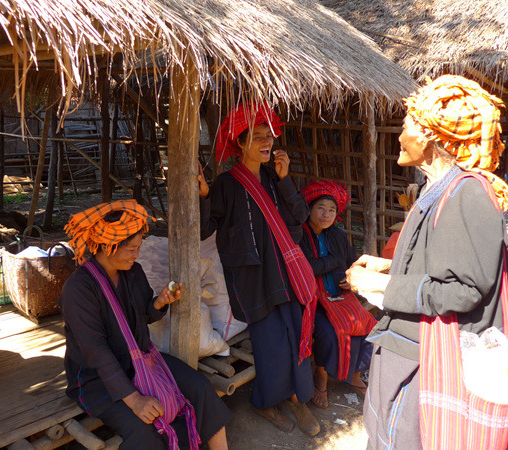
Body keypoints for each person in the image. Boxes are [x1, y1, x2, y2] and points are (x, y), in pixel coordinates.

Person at [345, 75, 508, 449]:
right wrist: (390, 266)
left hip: (424, 361)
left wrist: (384, 286)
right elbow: (448, 263)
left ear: (430, 137)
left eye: (405, 127)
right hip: (408, 349)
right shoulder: (440, 189)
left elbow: (465, 289)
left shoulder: (467, 195)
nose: (398, 136)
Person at [59, 200, 231, 450]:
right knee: (144, 429)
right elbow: (96, 352)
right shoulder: (79, 289)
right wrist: (135, 399)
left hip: (140, 359)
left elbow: (144, 316)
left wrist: (160, 303)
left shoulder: (133, 272)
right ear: (107, 246)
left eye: (138, 247)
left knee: (200, 386)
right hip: (97, 377)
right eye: (130, 248)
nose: (136, 254)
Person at [198, 102, 320, 436]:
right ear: (239, 143)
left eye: (270, 135)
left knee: (296, 335)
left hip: (285, 272)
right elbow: (203, 229)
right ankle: (265, 402)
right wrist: (205, 195)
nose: (268, 142)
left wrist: (284, 181)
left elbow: (298, 219)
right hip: (252, 278)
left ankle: (298, 398)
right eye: (258, 137)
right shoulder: (225, 185)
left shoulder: (273, 176)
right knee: (270, 344)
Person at [299, 180, 376, 409]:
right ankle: (321, 376)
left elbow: (352, 264)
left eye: (332, 209)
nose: (327, 214)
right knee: (327, 332)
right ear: (310, 209)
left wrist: (349, 279)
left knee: (367, 324)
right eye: (321, 207)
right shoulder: (300, 237)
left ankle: (354, 374)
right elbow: (305, 268)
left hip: (340, 298)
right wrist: (333, 262)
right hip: (314, 302)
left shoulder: (338, 237)